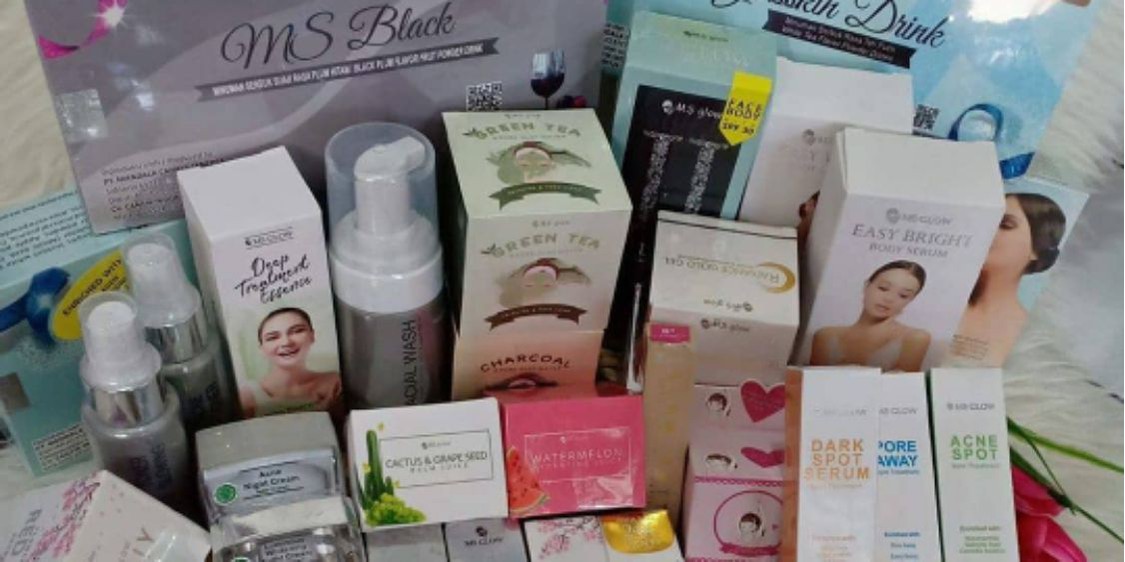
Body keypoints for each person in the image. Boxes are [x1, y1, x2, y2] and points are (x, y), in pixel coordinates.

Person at [953, 193, 1065, 365]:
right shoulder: (933, 300)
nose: (986, 231)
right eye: (985, 222)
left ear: (1036, 249)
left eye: (1005, 225)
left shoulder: (1029, 336)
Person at [810, 261, 931, 372]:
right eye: (883, 288)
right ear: (866, 286)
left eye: (903, 295)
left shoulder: (915, 338)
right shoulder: (825, 336)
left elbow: (904, 386)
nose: (889, 299)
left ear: (910, 300)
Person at [240, 307, 342, 417]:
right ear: (262, 349)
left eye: (297, 331)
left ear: (312, 336)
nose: (286, 342)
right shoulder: (247, 395)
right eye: (273, 337)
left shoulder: (334, 383)